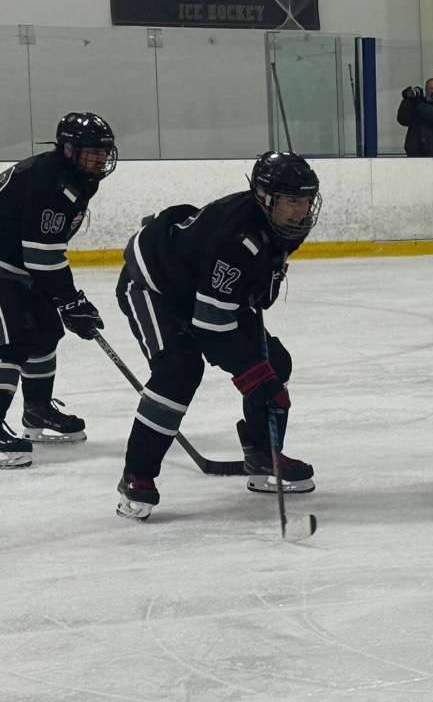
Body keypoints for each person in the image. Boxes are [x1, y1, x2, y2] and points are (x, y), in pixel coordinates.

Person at [113, 152, 322, 520]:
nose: (301, 211)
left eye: (306, 200)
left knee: (275, 362)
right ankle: (137, 475)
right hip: (156, 286)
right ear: (265, 197)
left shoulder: (287, 224)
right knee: (178, 370)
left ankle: (262, 456)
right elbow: (210, 326)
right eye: (291, 201)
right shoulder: (234, 236)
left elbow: (241, 286)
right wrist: (254, 378)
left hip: (203, 286)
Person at [0, 112, 116, 466]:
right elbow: (41, 253)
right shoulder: (48, 181)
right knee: (12, 341)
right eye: (91, 151)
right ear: (67, 149)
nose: (99, 159)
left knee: (46, 331)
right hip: (6, 266)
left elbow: (42, 250)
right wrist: (69, 299)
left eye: (103, 151)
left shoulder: (77, 177)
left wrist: (64, 301)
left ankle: (37, 411)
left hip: (18, 265)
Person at [397, 77, 433, 157]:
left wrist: (420, 105)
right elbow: (403, 120)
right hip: (415, 155)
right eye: (430, 89)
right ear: (425, 90)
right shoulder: (418, 104)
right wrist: (408, 101)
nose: (432, 91)